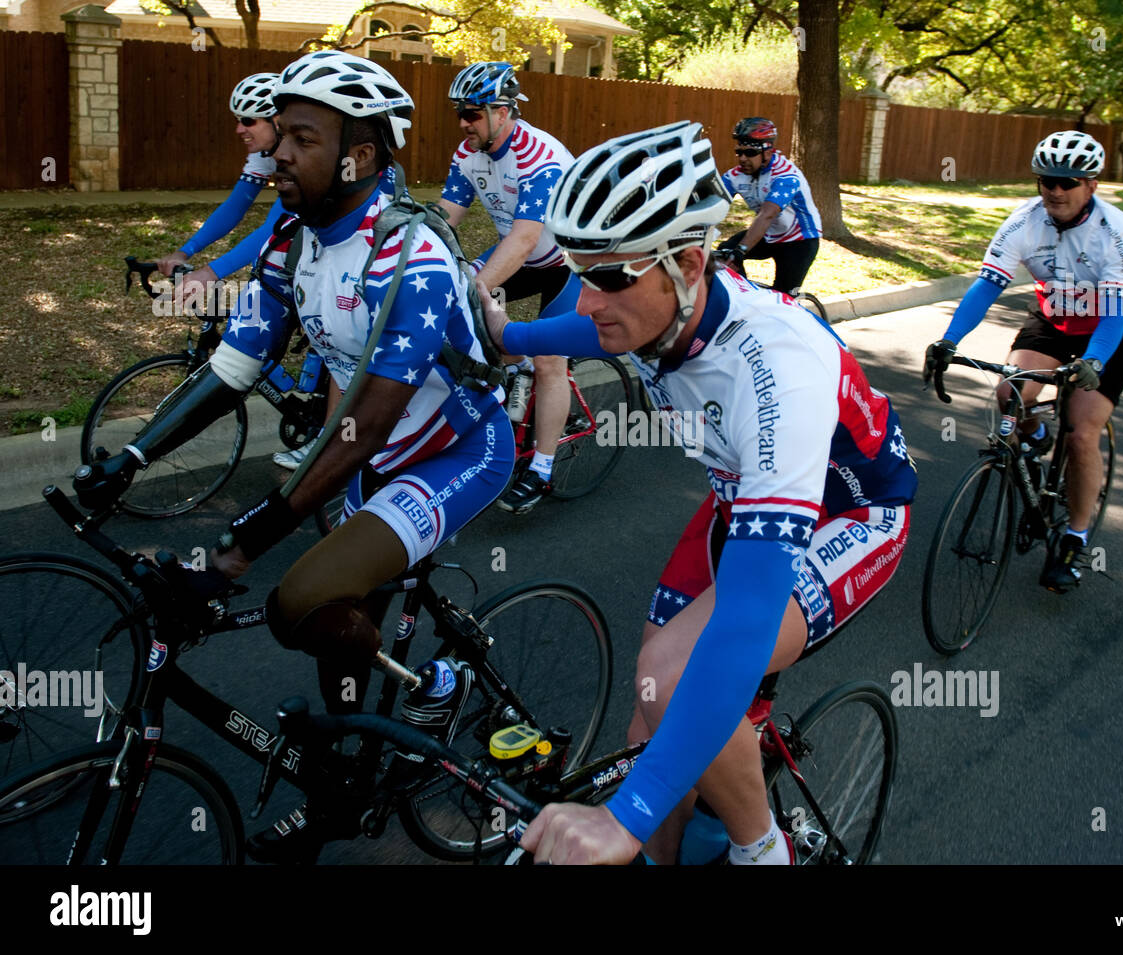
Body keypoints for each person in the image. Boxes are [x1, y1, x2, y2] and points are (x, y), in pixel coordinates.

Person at [77, 51, 512, 862]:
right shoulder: (291, 239)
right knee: (344, 616)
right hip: (367, 456)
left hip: (453, 452)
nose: (275, 150)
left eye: (300, 138)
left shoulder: (410, 260)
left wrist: (240, 547)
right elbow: (232, 369)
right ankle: (341, 776)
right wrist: (128, 458)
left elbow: (366, 427)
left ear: (362, 156)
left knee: (297, 601)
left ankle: (440, 690)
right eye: (280, 133)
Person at [484, 121, 916, 864]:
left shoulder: (777, 367)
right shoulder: (657, 312)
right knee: (649, 717)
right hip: (741, 498)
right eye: (583, 272)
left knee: (675, 676)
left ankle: (761, 850)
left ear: (688, 263)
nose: (589, 301)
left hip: (850, 512)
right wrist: (507, 338)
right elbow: (589, 330)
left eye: (611, 276)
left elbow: (745, 620)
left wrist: (624, 816)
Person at [924, 129, 1123, 594]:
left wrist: (1096, 363)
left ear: (1092, 186)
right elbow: (987, 285)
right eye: (1047, 181)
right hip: (1054, 320)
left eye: (1068, 182)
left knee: (1081, 432)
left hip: (1109, 331)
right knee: (1008, 393)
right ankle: (1035, 432)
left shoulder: (1118, 233)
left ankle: (1074, 537)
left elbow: (1118, 314)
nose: (1056, 191)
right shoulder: (1024, 221)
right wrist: (947, 340)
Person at [437, 62, 581, 514]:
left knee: (549, 358)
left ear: (503, 111)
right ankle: (516, 377)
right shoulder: (467, 154)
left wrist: (473, 286)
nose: (463, 123)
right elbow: (444, 219)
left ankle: (541, 468)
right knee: (475, 317)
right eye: (459, 113)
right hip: (524, 252)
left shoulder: (541, 157)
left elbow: (523, 239)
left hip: (569, 262)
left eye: (472, 114)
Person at [153, 72, 285, 309]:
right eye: (237, 120)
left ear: (278, 121)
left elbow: (277, 229)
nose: (238, 130)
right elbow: (235, 207)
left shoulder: (308, 160)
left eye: (248, 121)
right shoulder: (265, 151)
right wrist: (184, 252)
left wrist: (210, 272)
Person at [715, 117, 822, 295]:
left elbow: (767, 215)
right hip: (769, 234)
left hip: (799, 241)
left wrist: (741, 251)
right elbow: (711, 205)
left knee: (783, 298)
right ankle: (744, 296)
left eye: (749, 152)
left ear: (768, 152)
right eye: (739, 152)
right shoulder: (735, 175)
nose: (742, 158)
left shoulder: (786, 176)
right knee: (724, 254)